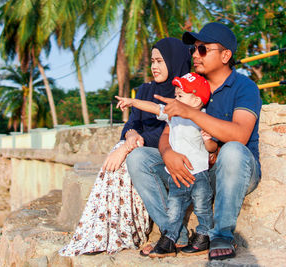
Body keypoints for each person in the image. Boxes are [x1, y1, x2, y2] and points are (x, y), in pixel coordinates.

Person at [127, 22, 262, 261]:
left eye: (203, 49)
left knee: (232, 150)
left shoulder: (243, 87)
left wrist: (192, 113)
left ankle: (220, 235)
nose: (195, 55)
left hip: (233, 171)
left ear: (225, 55)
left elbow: (240, 135)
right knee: (138, 158)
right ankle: (174, 234)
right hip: (197, 170)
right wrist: (167, 152)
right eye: (194, 49)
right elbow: (169, 128)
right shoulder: (189, 84)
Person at [58, 37, 191, 256]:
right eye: (152, 61)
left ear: (174, 60)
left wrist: (128, 146)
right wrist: (130, 137)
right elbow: (131, 123)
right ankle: (108, 230)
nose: (154, 66)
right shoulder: (145, 90)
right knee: (122, 153)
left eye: (160, 61)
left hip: (168, 153)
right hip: (140, 147)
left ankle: (132, 231)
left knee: (128, 156)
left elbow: (171, 129)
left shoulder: (184, 92)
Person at [116, 72, 216, 257]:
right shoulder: (173, 115)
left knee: (202, 207)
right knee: (174, 210)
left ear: (195, 101)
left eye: (180, 96)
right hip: (177, 174)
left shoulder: (202, 117)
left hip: (199, 173)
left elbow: (211, 147)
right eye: (175, 95)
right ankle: (170, 240)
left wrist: (208, 140)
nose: (175, 99)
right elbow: (154, 107)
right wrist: (133, 102)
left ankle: (204, 236)